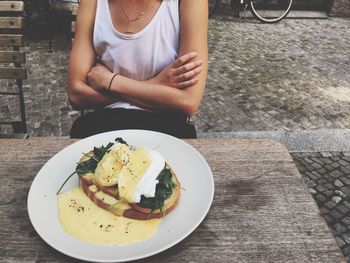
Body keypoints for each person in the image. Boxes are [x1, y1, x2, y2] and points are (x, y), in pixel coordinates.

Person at [68, 0, 208, 138]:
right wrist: (153, 84)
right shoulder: (92, 2)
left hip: (166, 126)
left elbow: (188, 101)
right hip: (104, 125)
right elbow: (76, 95)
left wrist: (110, 82)